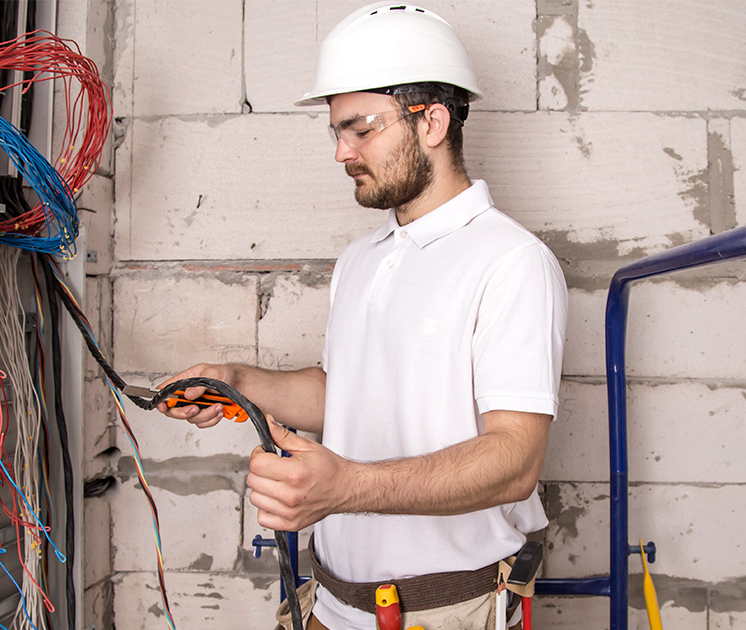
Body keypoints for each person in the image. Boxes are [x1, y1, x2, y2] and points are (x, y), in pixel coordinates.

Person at [153, 3, 568, 629]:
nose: (342, 152)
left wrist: (344, 487)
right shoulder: (361, 259)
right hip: (335, 603)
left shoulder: (510, 261)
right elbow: (346, 394)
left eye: (361, 129)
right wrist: (238, 380)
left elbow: (515, 461)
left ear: (431, 121)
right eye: (336, 132)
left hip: (446, 611)